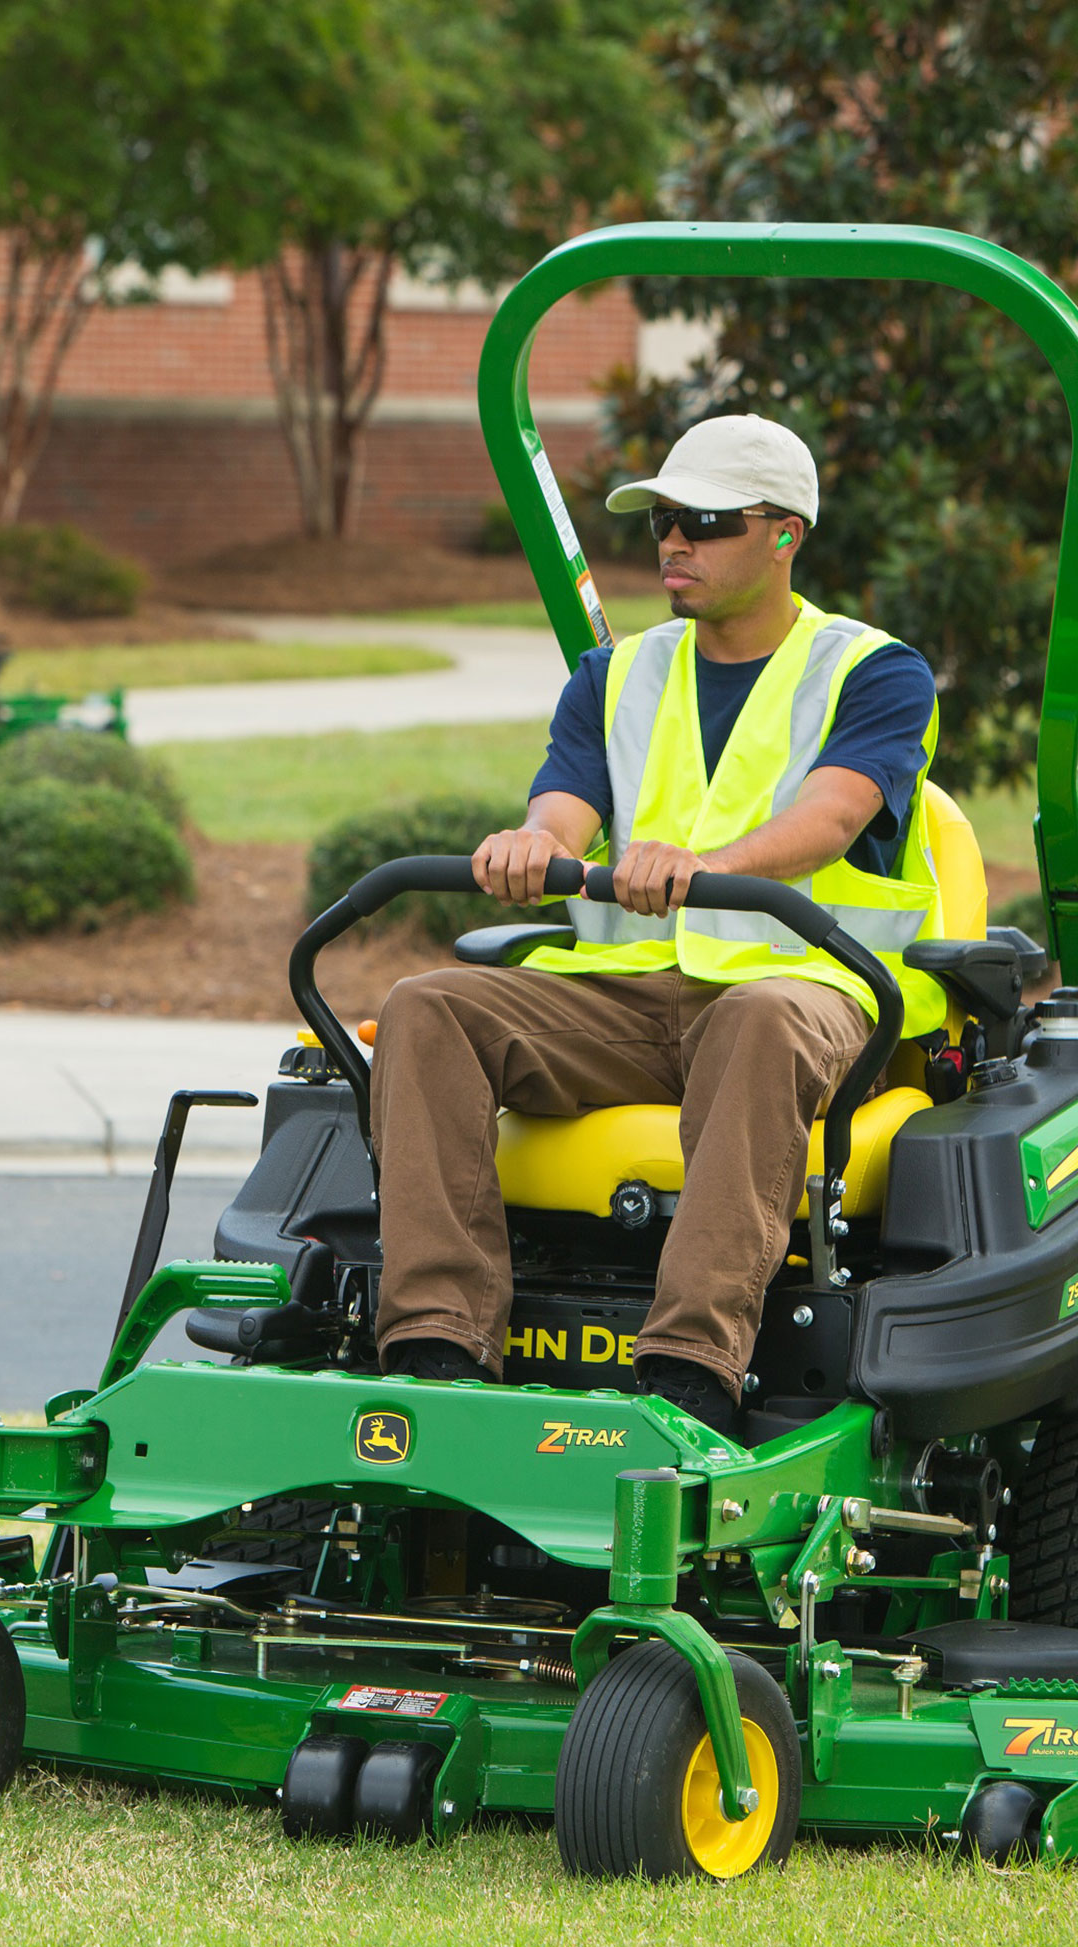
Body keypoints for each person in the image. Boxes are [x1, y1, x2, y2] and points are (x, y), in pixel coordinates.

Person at [370, 413, 951, 1436]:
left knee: (757, 1020)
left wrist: (706, 868)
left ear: (785, 534)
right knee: (427, 1008)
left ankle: (690, 1367)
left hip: (807, 989)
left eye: (707, 521)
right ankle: (438, 1343)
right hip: (629, 998)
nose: (675, 542)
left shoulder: (875, 671)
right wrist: (527, 842)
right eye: (664, 521)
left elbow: (835, 815)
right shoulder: (615, 674)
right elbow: (566, 805)